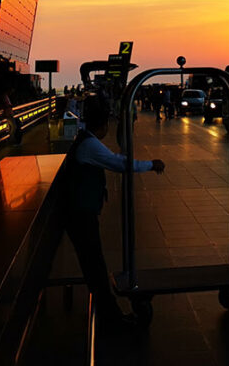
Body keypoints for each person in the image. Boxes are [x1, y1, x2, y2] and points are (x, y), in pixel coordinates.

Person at [64, 97, 165, 327]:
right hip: (81, 214)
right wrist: (150, 165)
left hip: (80, 211)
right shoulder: (89, 144)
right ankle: (112, 319)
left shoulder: (83, 139)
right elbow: (118, 163)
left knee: (94, 264)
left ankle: (109, 314)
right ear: (103, 126)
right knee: (95, 266)